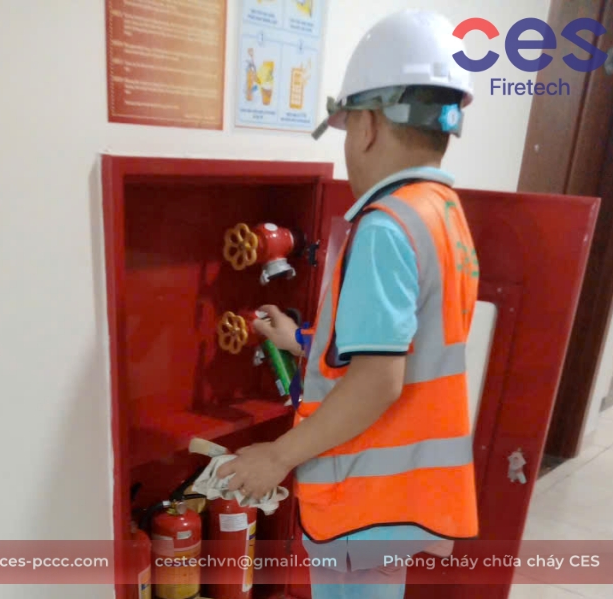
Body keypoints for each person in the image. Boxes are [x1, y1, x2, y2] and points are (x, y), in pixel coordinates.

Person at [216, 9, 480, 599]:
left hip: (364, 496)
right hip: (404, 494)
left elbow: (378, 380)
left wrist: (277, 456)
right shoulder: (442, 213)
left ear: (366, 125)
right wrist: (298, 342)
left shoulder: (385, 226)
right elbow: (402, 346)